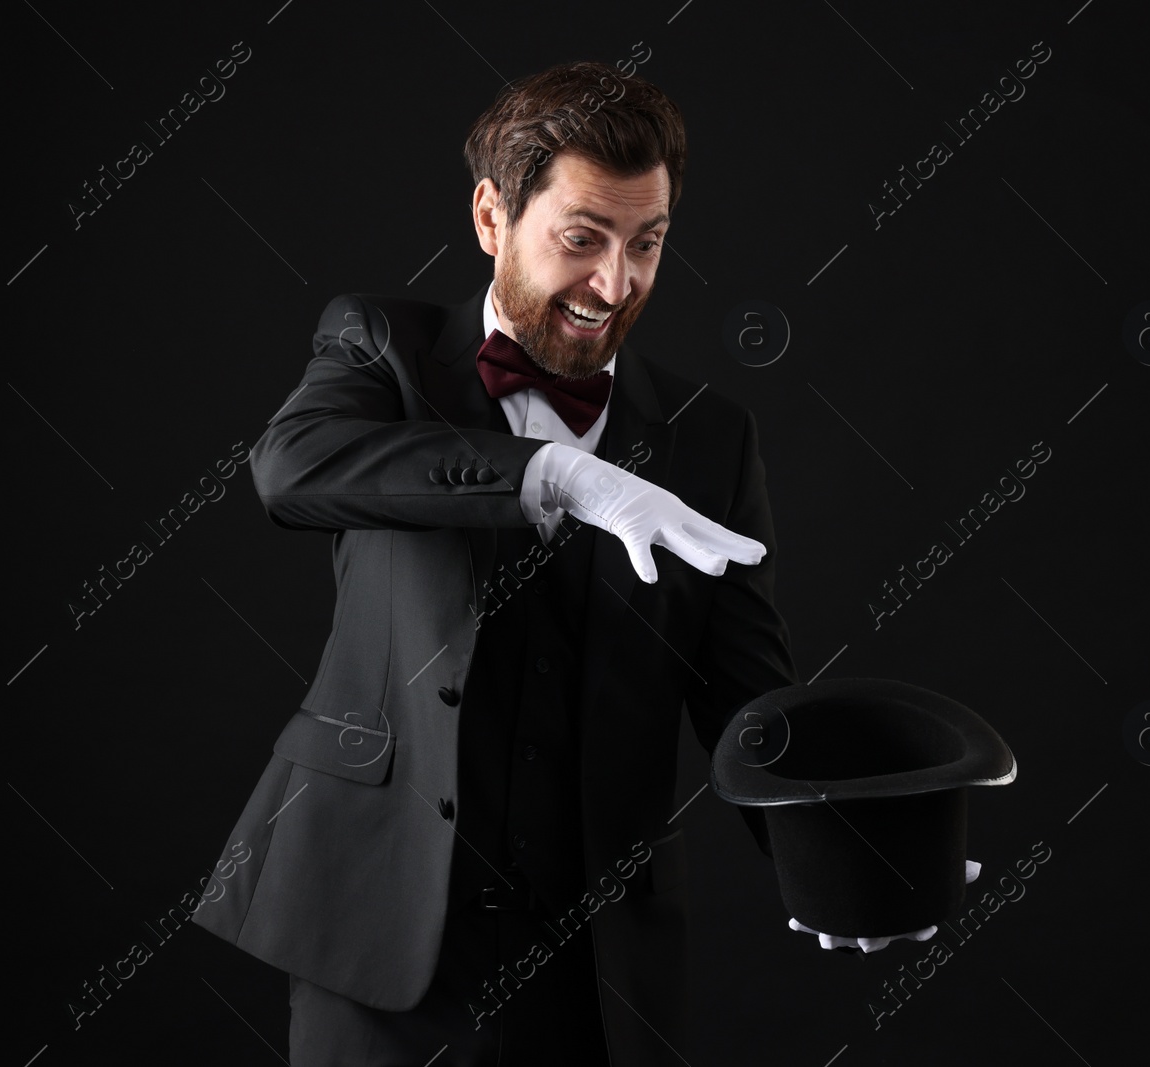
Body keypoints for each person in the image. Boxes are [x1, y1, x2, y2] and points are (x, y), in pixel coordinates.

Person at [194, 58, 800, 1066]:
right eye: (582, 238)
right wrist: (560, 474)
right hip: (378, 934)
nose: (616, 284)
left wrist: (847, 853)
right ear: (490, 217)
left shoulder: (710, 437)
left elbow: (749, 696)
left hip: (596, 963)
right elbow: (290, 467)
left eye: (645, 243)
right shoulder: (381, 348)